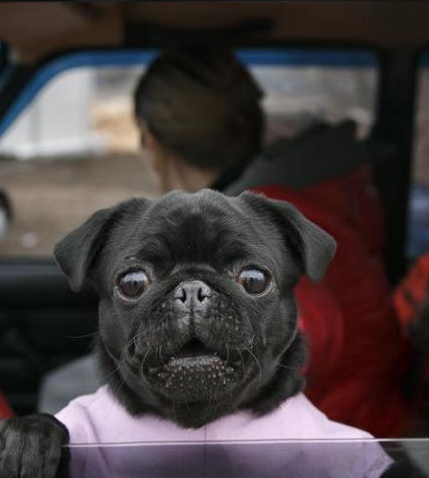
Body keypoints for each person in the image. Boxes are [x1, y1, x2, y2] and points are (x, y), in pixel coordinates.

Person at [130, 46, 411, 436]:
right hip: (356, 432)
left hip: (342, 455)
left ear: (150, 139)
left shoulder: (257, 231)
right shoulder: (305, 201)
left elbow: (300, 335)